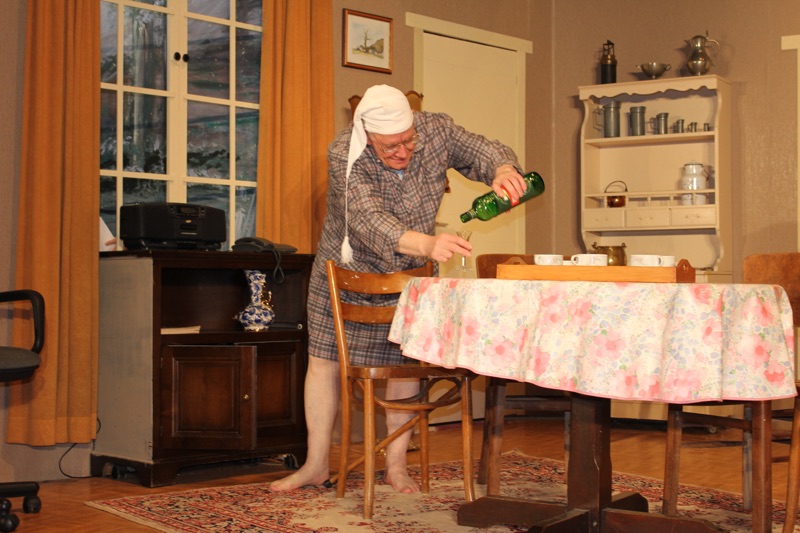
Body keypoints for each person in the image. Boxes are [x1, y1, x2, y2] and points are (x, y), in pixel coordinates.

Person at [270, 84, 527, 494]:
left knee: (404, 365)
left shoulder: (436, 129)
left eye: (408, 141)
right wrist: (428, 245)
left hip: (408, 277)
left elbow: (483, 149)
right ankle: (316, 464)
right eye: (390, 146)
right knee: (324, 363)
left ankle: (396, 466)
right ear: (368, 136)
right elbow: (368, 220)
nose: (403, 151)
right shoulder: (345, 153)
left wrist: (503, 169)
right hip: (345, 273)